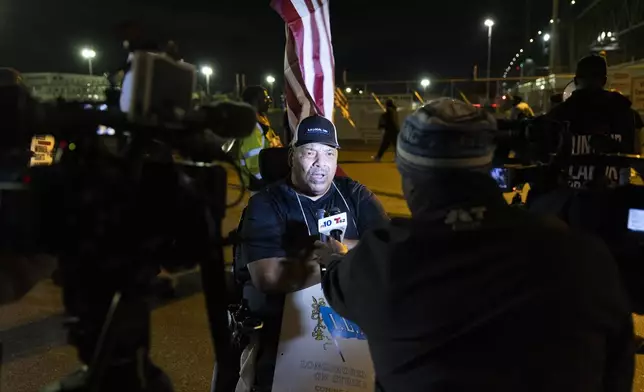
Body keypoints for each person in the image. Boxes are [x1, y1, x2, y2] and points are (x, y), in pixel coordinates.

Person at [318, 98, 634, 392]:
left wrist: (334, 259)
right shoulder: (581, 254)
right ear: (491, 167)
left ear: (408, 176)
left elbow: (337, 284)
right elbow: (616, 371)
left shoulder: (382, 260)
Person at [237, 114, 389, 390]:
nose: (321, 163)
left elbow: (389, 249)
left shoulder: (355, 195)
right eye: (310, 152)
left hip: (353, 325)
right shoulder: (266, 204)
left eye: (329, 153)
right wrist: (340, 260)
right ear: (292, 156)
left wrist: (336, 252)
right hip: (286, 329)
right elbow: (268, 277)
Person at [547, 54, 640, 188]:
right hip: (612, 198)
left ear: (576, 81)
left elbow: (547, 157)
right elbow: (633, 153)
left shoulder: (560, 113)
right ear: (604, 81)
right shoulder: (625, 111)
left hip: (570, 198)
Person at [237, 86, 283, 191]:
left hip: (266, 179)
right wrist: (267, 181)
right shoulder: (251, 125)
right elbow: (253, 160)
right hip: (260, 184)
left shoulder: (261, 121)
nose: (269, 100)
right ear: (255, 101)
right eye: (265, 97)